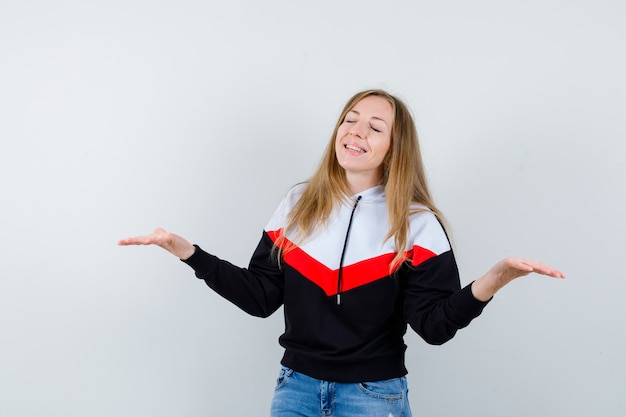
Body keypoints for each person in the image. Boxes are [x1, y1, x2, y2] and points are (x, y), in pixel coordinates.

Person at [119, 89, 564, 417]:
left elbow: (433, 326)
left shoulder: (418, 225)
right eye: (350, 120)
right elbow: (260, 297)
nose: (356, 132)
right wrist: (188, 252)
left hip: (373, 396)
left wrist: (494, 280)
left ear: (394, 149)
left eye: (375, 127)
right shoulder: (297, 204)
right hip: (295, 389)